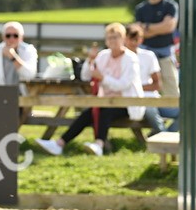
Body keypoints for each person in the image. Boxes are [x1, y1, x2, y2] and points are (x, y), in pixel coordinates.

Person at [37, 23, 142, 156]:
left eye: (116, 37)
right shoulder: (103, 56)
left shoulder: (131, 59)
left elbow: (124, 84)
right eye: (109, 38)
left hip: (127, 103)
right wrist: (90, 60)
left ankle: (99, 144)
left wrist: (102, 78)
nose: (113, 41)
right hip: (105, 101)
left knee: (104, 112)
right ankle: (60, 144)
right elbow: (85, 76)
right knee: (88, 113)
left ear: (123, 39)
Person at [134, 0, 179, 96]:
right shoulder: (140, 9)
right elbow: (139, 33)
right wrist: (160, 27)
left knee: (171, 87)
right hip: (146, 52)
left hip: (165, 53)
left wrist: (147, 27)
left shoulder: (170, 6)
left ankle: (173, 108)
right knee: (142, 84)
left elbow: (169, 27)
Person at [125, 23, 166, 135]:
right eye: (131, 39)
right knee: (150, 110)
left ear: (141, 39)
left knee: (180, 111)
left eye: (136, 39)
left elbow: (157, 84)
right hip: (131, 101)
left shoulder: (148, 56)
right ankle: (162, 136)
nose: (134, 43)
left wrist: (136, 88)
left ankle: (162, 135)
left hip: (151, 98)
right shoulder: (120, 57)